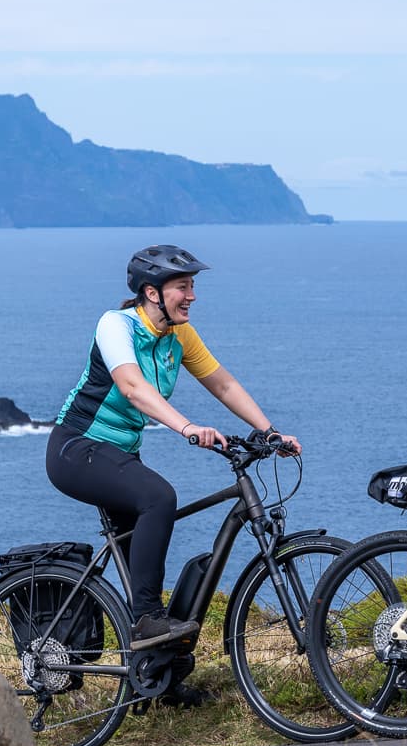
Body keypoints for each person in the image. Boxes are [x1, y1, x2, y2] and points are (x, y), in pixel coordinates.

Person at [47, 245, 301, 650]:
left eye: (193, 286)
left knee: (143, 566)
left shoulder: (178, 335)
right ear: (152, 292)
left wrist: (269, 431)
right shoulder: (117, 325)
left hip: (119, 455)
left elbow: (223, 384)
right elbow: (132, 386)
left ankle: (159, 677)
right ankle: (146, 621)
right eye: (183, 286)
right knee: (159, 499)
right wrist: (186, 427)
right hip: (77, 449)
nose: (192, 296)